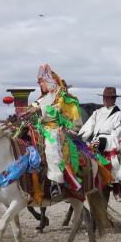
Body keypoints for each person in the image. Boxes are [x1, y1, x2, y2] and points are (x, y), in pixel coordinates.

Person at [27, 64, 82, 199]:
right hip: (39, 128)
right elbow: (33, 108)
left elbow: (58, 110)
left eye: (42, 81)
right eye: (39, 82)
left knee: (51, 147)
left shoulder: (60, 95)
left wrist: (40, 110)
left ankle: (55, 182)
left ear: (50, 80)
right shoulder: (42, 98)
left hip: (54, 128)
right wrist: (26, 112)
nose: (40, 85)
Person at [78, 87, 121, 157]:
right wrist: (80, 138)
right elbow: (88, 126)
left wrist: (103, 142)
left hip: (108, 148)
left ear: (114, 99)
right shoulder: (97, 112)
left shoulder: (118, 114)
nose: (106, 99)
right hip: (94, 144)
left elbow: (117, 135)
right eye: (104, 97)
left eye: (109, 98)